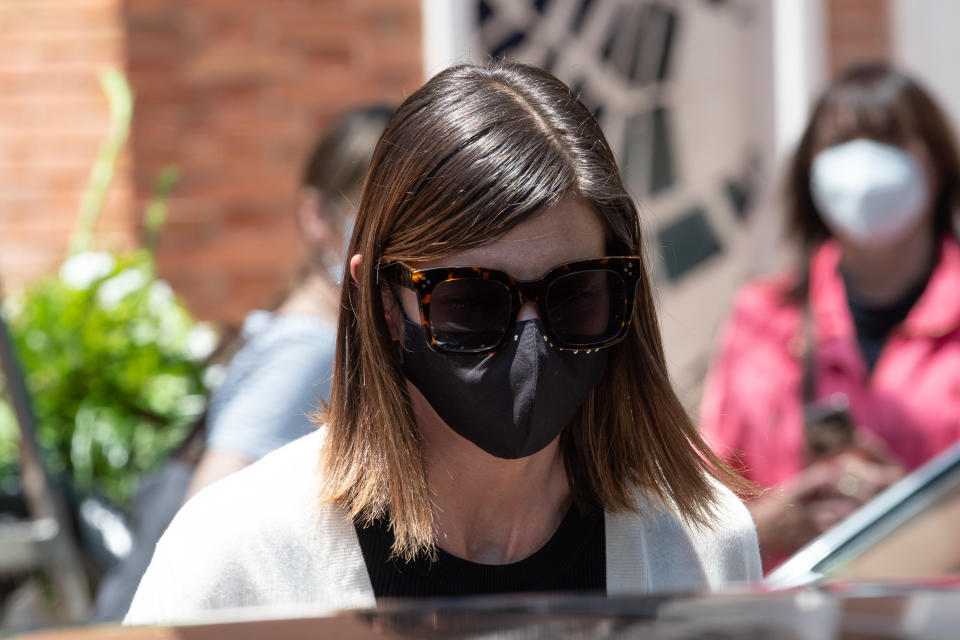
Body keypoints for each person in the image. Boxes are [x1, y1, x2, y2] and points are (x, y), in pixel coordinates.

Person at [124, 62, 760, 626]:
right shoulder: (241, 557)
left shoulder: (701, 546)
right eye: (470, 302)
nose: (528, 343)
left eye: (575, 296)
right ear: (381, 301)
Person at [700, 63, 960, 569]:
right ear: (809, 172)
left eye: (889, 142)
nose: (862, 169)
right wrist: (776, 521)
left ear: (936, 166)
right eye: (838, 144)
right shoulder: (761, 317)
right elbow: (703, 505)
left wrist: (921, 520)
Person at [183, 105, 393, 500]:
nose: (394, 238)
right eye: (371, 215)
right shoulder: (309, 350)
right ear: (315, 215)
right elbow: (204, 507)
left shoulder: (314, 334)